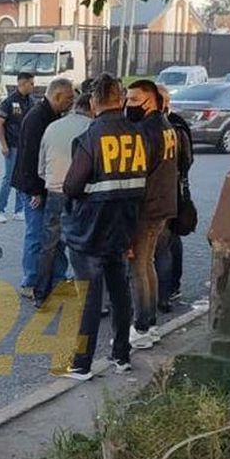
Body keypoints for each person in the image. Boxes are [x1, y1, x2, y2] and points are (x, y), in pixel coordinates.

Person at [59, 74, 148, 380]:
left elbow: (72, 186)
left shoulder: (90, 137)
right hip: (123, 227)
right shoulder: (138, 135)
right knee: (120, 291)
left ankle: (82, 363)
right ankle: (121, 355)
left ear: (94, 102)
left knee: (89, 296)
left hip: (90, 230)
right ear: (120, 99)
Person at [123, 79, 180, 350]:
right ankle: (152, 323)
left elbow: (138, 176)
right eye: (127, 99)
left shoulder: (145, 131)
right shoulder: (167, 126)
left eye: (134, 100)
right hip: (163, 205)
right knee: (148, 265)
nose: (128, 105)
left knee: (138, 269)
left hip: (147, 208)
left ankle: (142, 327)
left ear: (150, 100)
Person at [12, 77, 74, 301]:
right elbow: (29, 157)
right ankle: (29, 281)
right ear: (57, 96)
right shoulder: (37, 118)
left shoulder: (52, 115)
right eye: (68, 99)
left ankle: (57, 277)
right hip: (34, 188)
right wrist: (35, 191)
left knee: (54, 235)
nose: (71, 103)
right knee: (36, 235)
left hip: (45, 186)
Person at [36, 90, 92, 307]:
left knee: (49, 245)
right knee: (83, 246)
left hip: (55, 192)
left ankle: (41, 293)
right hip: (83, 195)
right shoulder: (91, 129)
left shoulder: (52, 127)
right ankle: (86, 296)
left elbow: (41, 167)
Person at [157, 105, 198, 311]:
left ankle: (162, 294)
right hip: (175, 195)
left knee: (157, 250)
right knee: (169, 244)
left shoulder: (157, 129)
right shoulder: (179, 127)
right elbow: (188, 161)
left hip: (159, 199)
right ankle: (169, 290)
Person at [0, 72, 36, 223]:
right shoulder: (9, 102)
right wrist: (4, 145)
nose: (33, 86)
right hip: (12, 146)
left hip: (25, 147)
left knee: (22, 177)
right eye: (31, 83)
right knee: (9, 178)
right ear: (22, 84)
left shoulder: (31, 101)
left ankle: (19, 210)